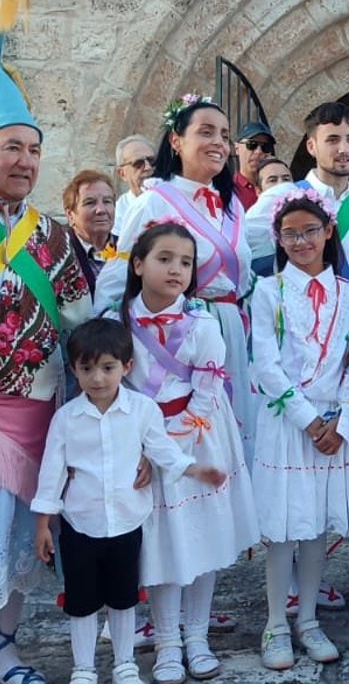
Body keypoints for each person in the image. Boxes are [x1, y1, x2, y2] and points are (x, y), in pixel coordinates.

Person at [31, 319, 225, 684]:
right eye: (86, 369)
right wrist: (43, 524)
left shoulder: (142, 411)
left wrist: (195, 470)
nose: (98, 379)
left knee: (123, 599)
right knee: (82, 603)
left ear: (127, 367)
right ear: (74, 369)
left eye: (108, 368)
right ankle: (84, 668)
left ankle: (125, 664)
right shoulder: (66, 419)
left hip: (126, 524)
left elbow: (163, 451)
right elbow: (52, 472)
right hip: (80, 527)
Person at [108, 221, 258, 684]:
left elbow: (208, 390)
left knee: (202, 536)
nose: (177, 269)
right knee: (160, 543)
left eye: (186, 262)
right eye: (165, 259)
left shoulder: (202, 323)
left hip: (198, 436)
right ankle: (168, 640)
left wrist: (175, 447)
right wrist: (147, 448)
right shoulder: (119, 323)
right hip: (140, 445)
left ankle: (197, 635)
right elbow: (117, 389)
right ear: (138, 264)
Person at [0, 66, 92, 684]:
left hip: (32, 415)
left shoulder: (51, 233)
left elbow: (81, 320)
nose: (25, 161)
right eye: (11, 148)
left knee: (16, 542)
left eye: (33, 150)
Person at [95, 99, 257, 462]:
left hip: (228, 332)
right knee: (178, 435)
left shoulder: (232, 207)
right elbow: (117, 277)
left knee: (220, 441)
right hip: (172, 337)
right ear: (176, 141)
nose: (218, 142)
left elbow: (243, 282)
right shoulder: (154, 202)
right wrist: (103, 342)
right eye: (205, 132)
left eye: (225, 135)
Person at [250, 190, 349, 670]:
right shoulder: (268, 291)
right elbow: (266, 364)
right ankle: (276, 621)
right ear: (279, 238)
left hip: (334, 424)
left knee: (316, 525)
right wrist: (309, 420)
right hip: (288, 423)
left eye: (311, 231)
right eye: (291, 233)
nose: (302, 241)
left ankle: (309, 617)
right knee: (283, 527)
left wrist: (340, 419)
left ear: (328, 232)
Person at [248, 103, 349, 284]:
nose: (344, 149)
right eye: (332, 140)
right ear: (311, 146)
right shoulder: (282, 196)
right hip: (296, 307)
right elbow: (241, 250)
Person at [62, 170, 118, 298]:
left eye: (107, 201)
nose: (101, 210)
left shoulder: (127, 248)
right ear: (70, 215)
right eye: (90, 202)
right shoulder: (59, 253)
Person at [113, 134, 156, 238]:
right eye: (138, 163)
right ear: (122, 174)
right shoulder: (118, 213)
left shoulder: (174, 200)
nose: (147, 167)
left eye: (152, 161)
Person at [233, 121, 275, 210]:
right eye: (251, 144)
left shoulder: (277, 187)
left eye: (266, 146)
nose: (259, 151)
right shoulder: (228, 191)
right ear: (237, 148)